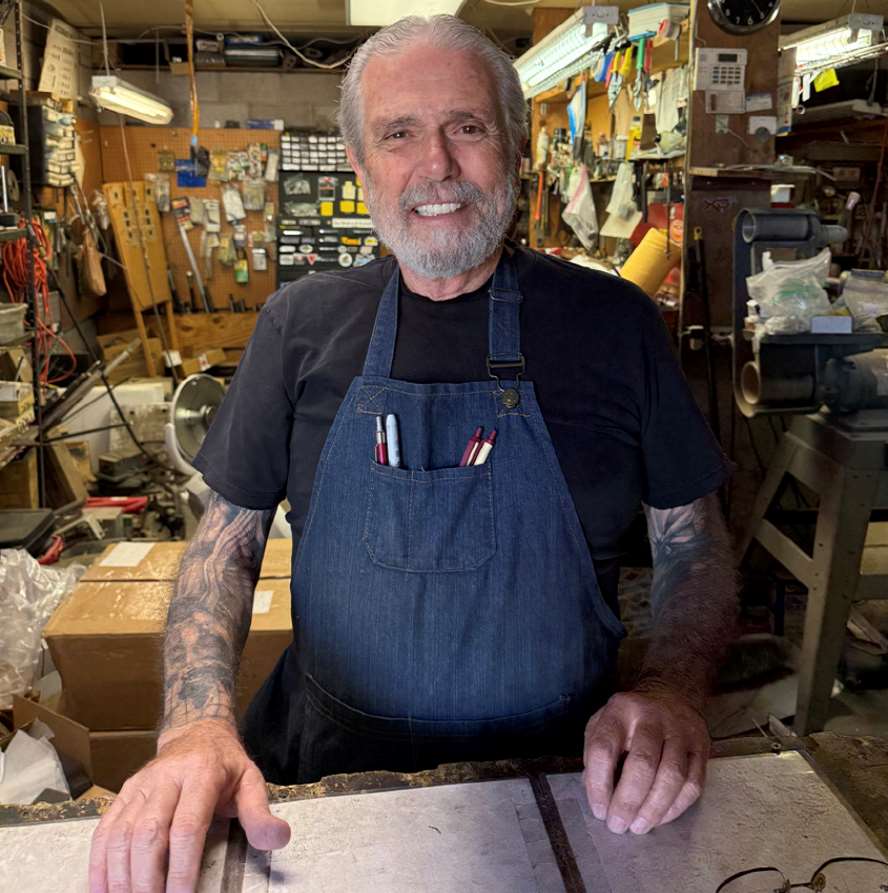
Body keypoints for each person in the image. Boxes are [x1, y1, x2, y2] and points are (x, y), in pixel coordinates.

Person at [89, 15, 736, 893]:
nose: (436, 165)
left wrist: (671, 690)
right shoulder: (299, 325)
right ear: (361, 167)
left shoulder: (615, 326)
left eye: (466, 127)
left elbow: (692, 540)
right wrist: (195, 725)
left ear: (515, 149)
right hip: (327, 785)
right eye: (399, 135)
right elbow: (223, 543)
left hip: (574, 786)